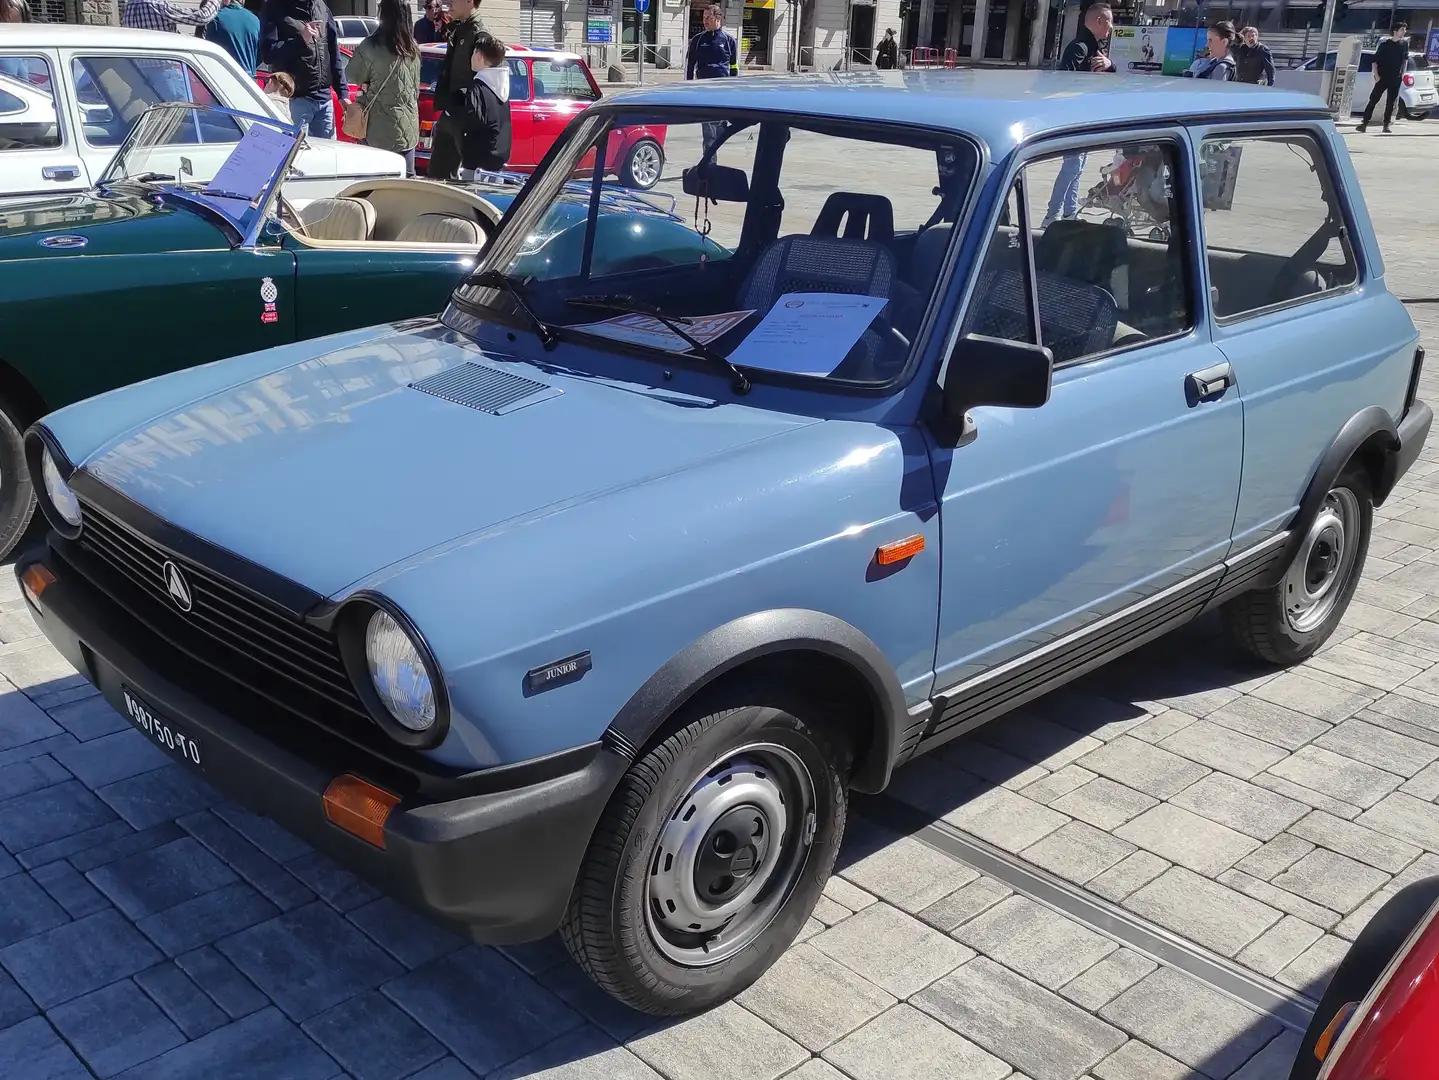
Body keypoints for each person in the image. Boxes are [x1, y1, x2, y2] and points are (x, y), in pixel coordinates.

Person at [1042, 2, 1114, 228]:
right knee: (1073, 166)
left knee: (1078, 166)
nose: (1111, 28)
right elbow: (1064, 84)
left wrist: (1109, 67)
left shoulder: (1094, 48)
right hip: (1074, 118)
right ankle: (1052, 215)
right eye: (1110, 22)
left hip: (1084, 117)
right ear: (1100, 21)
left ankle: (1069, 212)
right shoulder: (1080, 47)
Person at [346, 0, 421, 175]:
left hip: (378, 129)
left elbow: (352, 75)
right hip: (409, 127)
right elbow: (415, 89)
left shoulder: (371, 46)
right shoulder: (413, 48)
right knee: (407, 180)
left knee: (375, 181)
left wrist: (368, 84)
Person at [259, 0, 350, 139]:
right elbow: (268, 55)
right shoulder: (274, 7)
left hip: (324, 100)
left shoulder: (322, 7)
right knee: (296, 155)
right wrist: (301, 40)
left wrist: (343, 93)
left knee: (326, 155)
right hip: (295, 100)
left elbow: (333, 53)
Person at [426, 0, 486, 181]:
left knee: (464, 180)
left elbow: (486, 78)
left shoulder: (479, 34)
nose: (449, 3)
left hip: (465, 115)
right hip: (450, 111)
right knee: (437, 174)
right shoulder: (460, 28)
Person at [686, 5, 739, 158]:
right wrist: (689, 86)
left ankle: (722, 126)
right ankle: (709, 161)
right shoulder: (698, 40)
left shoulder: (729, 41)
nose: (705, 21)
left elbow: (734, 66)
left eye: (708, 17)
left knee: (719, 127)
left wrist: (734, 87)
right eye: (703, 17)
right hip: (704, 89)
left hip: (722, 89)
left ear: (718, 18)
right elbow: (690, 66)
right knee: (708, 128)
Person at [458, 31, 511, 181]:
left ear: (479, 56)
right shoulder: (502, 86)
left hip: (477, 167)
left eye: (474, 52)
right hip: (497, 162)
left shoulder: (478, 88)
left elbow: (472, 124)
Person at [1358, 23, 1410, 133]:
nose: (1404, 32)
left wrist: (1403, 73)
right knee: (1373, 100)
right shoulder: (1385, 45)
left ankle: (1386, 125)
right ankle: (1364, 123)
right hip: (1382, 77)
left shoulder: (1404, 44)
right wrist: (1377, 76)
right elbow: (1374, 61)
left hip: (1396, 78)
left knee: (1391, 102)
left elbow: (1405, 59)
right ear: (1395, 31)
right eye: (1402, 30)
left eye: (1405, 30)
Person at [206, 0, 262, 77]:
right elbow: (260, 53)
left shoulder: (217, 18)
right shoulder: (255, 20)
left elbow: (208, 51)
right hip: (249, 79)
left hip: (223, 76)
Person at [121, 0, 220, 34]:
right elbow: (202, 17)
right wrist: (215, 1)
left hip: (141, 72)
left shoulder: (128, 8)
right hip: (166, 69)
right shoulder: (159, 7)